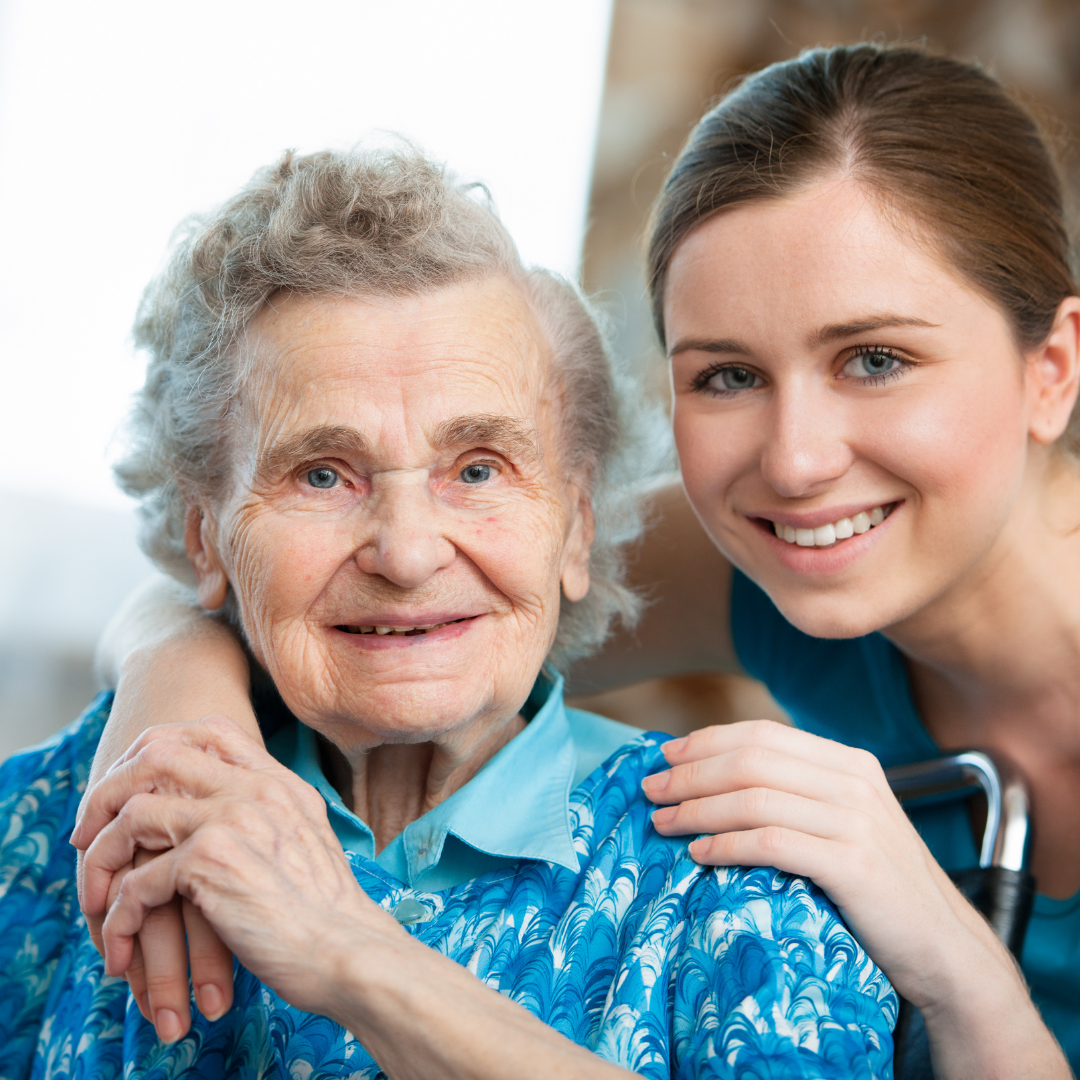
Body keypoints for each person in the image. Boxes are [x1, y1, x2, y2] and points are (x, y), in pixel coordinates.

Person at [78, 43, 1080, 1077]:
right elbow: (329, 590)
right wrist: (181, 704)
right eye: (728, 374)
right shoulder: (758, 547)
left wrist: (958, 964)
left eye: (877, 360)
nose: (797, 458)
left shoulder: (807, 542)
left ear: (1051, 371)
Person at [0, 147, 897, 1080]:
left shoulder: (739, 877)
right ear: (205, 538)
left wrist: (351, 951)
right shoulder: (79, 818)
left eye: (477, 469)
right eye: (322, 474)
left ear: (576, 527)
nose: (408, 551)